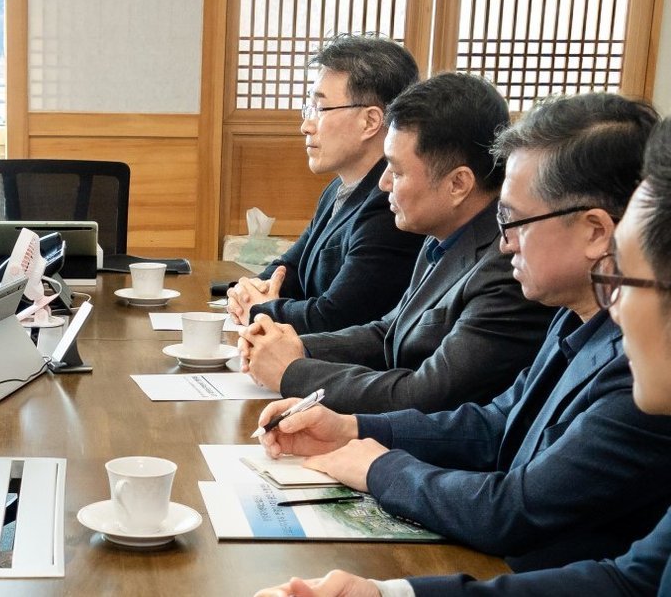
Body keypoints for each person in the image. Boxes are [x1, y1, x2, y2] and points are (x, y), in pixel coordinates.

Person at [251, 92, 671, 581]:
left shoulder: (644, 364)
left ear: (597, 232)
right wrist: (353, 428)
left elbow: (515, 510)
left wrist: (379, 467)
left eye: (512, 220)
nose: (504, 242)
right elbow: (497, 423)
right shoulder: (571, 313)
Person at [239, 73, 553, 413]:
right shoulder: (441, 234)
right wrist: (295, 346)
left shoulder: (508, 265)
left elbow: (424, 394)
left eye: (397, 171)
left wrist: (292, 371)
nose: (384, 183)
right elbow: (388, 332)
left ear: (458, 184)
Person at [227, 34, 425, 334]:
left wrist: (260, 309)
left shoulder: (392, 203)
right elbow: (290, 267)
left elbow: (337, 317)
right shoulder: (338, 188)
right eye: (308, 109)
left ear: (371, 121)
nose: (306, 126)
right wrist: (250, 291)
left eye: (320, 109)